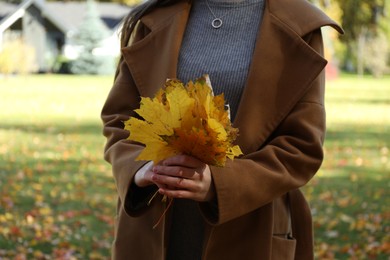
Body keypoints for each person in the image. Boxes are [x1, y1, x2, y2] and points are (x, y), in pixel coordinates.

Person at [101, 0, 343, 258]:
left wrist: (221, 185)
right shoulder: (154, 17)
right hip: (150, 230)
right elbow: (120, 118)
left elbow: (301, 147)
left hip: (253, 231)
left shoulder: (301, 24)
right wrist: (141, 168)